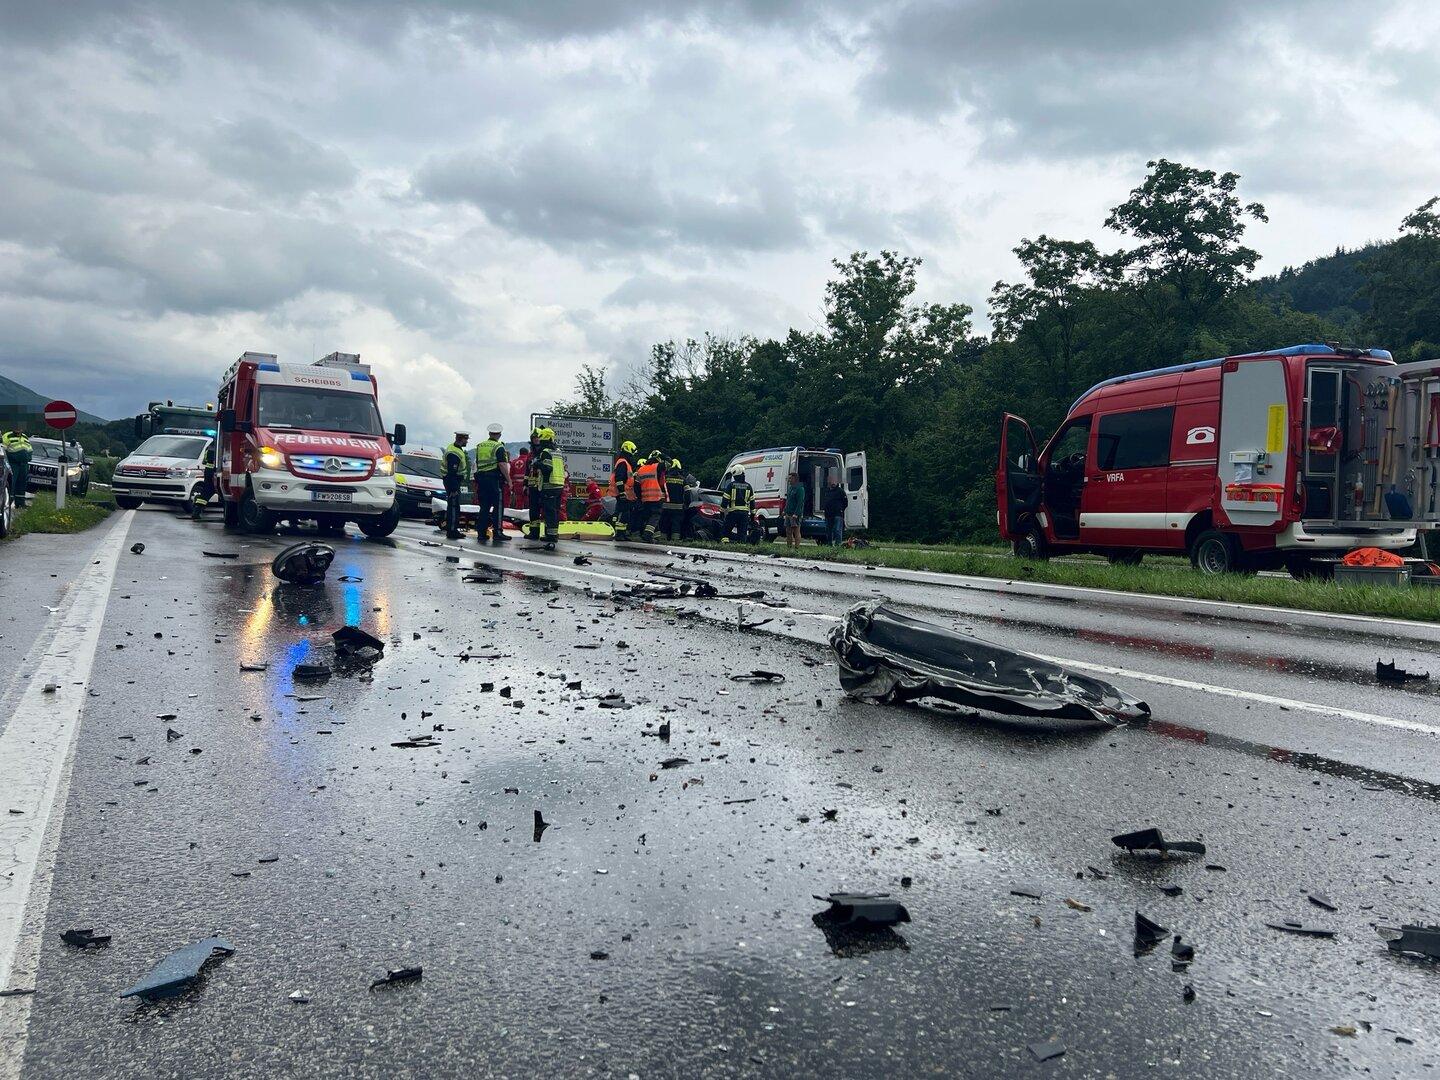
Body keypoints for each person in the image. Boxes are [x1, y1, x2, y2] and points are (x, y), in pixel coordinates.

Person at [472, 422, 511, 546]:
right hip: (493, 479)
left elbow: (478, 463)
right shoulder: (498, 447)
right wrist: (509, 480)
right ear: (499, 434)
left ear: (489, 433)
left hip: (482, 480)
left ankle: (481, 533)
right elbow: (502, 464)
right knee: (498, 506)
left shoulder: (480, 446)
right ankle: (498, 532)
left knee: (484, 507)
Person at [530, 427, 566, 548]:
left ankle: (551, 536)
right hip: (559, 484)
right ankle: (553, 534)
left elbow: (547, 468)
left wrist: (537, 464)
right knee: (555, 511)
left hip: (549, 484)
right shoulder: (558, 451)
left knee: (549, 511)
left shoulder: (545, 451)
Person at [442, 431, 471, 540]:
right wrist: (454, 488)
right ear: (461, 439)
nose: (467, 441)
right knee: (454, 506)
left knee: (453, 506)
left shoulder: (453, 448)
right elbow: (452, 472)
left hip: (451, 481)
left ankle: (452, 529)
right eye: (466, 439)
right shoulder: (455, 453)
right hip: (452, 481)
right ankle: (452, 530)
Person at [634, 450, 665, 542]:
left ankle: (656, 537)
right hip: (656, 497)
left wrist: (639, 499)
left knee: (650, 517)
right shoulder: (656, 467)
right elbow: (669, 462)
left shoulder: (641, 469)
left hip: (645, 498)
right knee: (655, 515)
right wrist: (662, 454)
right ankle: (647, 535)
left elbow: (637, 487)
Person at [609, 440, 637, 540]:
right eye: (633, 450)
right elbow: (619, 478)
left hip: (624, 493)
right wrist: (621, 492)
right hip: (622, 493)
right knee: (623, 513)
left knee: (625, 513)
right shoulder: (623, 462)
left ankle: (622, 533)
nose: (633, 453)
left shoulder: (625, 462)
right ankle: (619, 534)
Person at [721, 466, 753, 543]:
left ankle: (725, 544)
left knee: (726, 530)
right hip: (744, 514)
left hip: (733, 513)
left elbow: (725, 500)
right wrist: (752, 516)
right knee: (742, 533)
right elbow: (752, 502)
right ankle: (741, 545)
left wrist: (722, 512)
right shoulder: (749, 486)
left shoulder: (731, 485)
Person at [2, 426, 31, 508]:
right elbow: (3, 450)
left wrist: (28, 457)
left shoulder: (25, 437)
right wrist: (13, 457)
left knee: (22, 484)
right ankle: (8, 503)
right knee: (12, 483)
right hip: (13, 464)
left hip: (23, 464)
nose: (18, 428)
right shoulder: (7, 436)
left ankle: (20, 503)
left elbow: (29, 448)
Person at [524, 427, 544, 540]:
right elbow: (527, 471)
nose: (536, 440)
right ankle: (534, 532)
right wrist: (525, 484)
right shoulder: (530, 454)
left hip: (543, 485)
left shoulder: (544, 452)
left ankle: (547, 532)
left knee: (545, 509)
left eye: (538, 437)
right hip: (532, 486)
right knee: (533, 510)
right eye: (534, 438)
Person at [661, 457, 686, 540]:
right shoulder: (683, 480)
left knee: (664, 523)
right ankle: (675, 540)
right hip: (678, 507)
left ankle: (663, 539)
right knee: (676, 524)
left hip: (665, 506)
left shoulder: (665, 478)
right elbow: (688, 493)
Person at [822, 472, 847, 546]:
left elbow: (845, 502)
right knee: (828, 530)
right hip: (828, 514)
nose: (833, 482)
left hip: (838, 513)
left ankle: (837, 545)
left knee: (837, 530)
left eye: (834, 481)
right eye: (831, 481)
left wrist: (840, 509)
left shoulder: (840, 491)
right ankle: (829, 544)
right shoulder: (827, 491)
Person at [783, 470, 805, 549]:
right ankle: (789, 547)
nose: (789, 480)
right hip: (788, 513)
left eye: (790, 478)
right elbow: (788, 500)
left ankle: (797, 547)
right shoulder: (790, 488)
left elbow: (800, 502)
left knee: (796, 531)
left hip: (795, 514)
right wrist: (785, 510)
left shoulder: (800, 489)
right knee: (788, 531)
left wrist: (796, 513)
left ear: (795, 479)